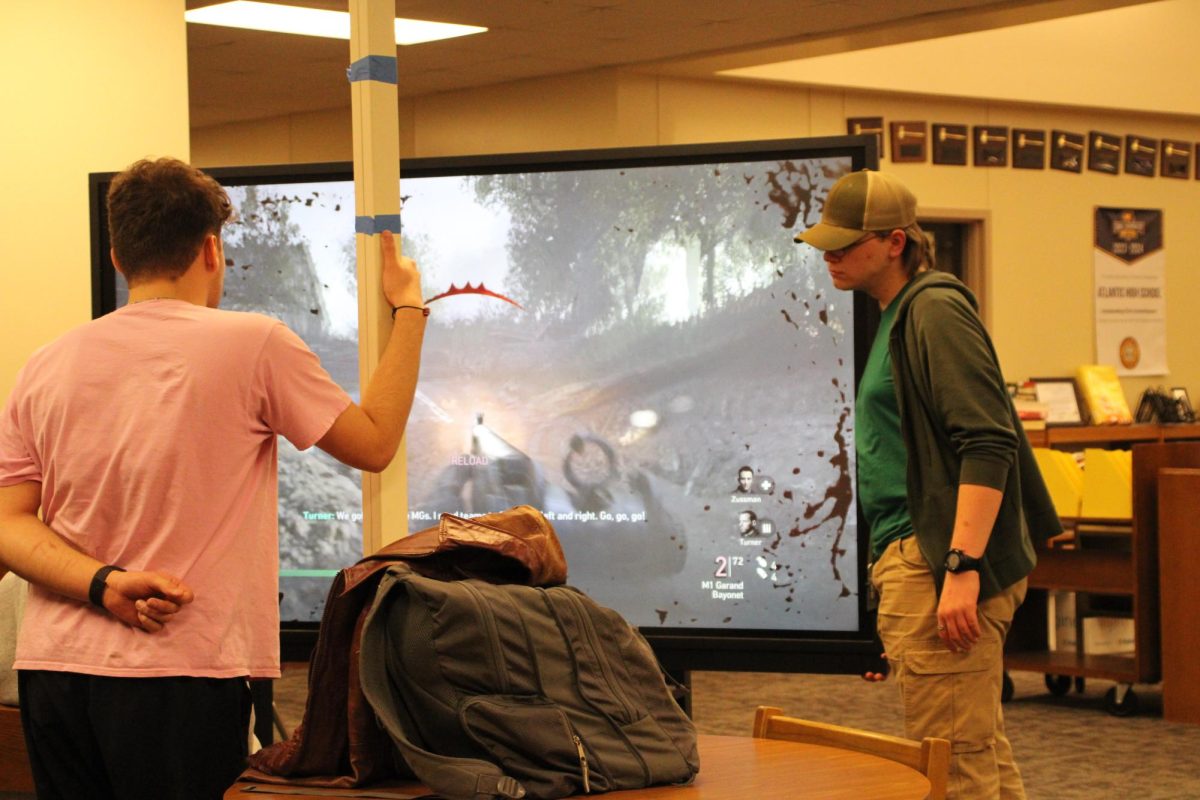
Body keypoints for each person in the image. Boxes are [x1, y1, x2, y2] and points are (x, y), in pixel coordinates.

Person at [0, 157, 427, 800]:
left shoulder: (44, 364)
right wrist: (411, 309)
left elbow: (8, 525)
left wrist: (103, 583)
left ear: (118, 257)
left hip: (53, 675)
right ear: (211, 248)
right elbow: (373, 444)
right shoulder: (255, 343)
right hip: (182, 671)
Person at [794, 169, 1060, 800]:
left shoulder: (934, 308)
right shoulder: (894, 314)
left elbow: (988, 439)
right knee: (975, 752)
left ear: (895, 242)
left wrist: (961, 565)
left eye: (845, 242)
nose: (828, 255)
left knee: (950, 766)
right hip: (914, 554)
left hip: (941, 557)